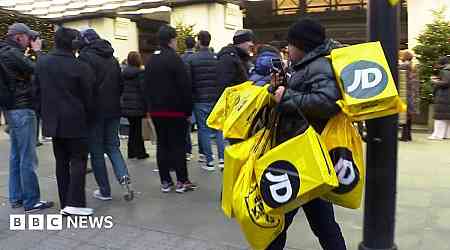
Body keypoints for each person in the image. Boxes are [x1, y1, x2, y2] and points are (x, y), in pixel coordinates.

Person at [268, 18, 346, 250]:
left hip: (304, 153)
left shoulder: (319, 65)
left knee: (279, 218)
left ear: (302, 44)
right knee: (323, 223)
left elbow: (328, 102)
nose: (288, 49)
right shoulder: (305, 65)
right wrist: (277, 89)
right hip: (304, 151)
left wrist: (287, 98)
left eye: (290, 44)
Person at [34, 27, 94, 215]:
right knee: (78, 160)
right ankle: (74, 204)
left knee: (61, 161)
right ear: (72, 44)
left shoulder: (43, 63)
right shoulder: (80, 66)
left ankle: (65, 203)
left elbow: (36, 91)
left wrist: (43, 113)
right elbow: (88, 96)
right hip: (76, 119)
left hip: (53, 121)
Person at [0, 23, 54, 212]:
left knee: (16, 156)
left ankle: (16, 197)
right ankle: (31, 201)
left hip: (12, 110)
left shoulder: (5, 52)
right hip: (23, 109)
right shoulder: (12, 53)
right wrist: (38, 52)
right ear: (19, 37)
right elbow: (38, 70)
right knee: (27, 158)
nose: (29, 42)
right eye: (27, 38)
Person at [78, 28, 133, 201]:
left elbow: (84, 87)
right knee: (113, 147)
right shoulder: (112, 58)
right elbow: (120, 84)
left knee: (96, 151)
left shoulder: (85, 58)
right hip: (114, 110)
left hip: (95, 112)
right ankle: (125, 181)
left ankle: (104, 190)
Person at [144, 25, 196, 193]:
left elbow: (145, 86)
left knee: (163, 145)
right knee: (178, 145)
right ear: (172, 40)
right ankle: (182, 181)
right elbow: (185, 87)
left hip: (157, 111)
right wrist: (188, 111)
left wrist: (150, 107)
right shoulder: (175, 59)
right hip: (175, 110)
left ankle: (165, 181)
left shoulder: (151, 60)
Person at [186, 30, 225, 171]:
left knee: (204, 130)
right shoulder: (217, 58)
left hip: (200, 99)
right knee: (219, 129)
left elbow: (189, 82)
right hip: (216, 98)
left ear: (198, 41)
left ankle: (209, 161)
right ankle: (222, 159)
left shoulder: (192, 59)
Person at [121, 51, 149, 159]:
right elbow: (144, 90)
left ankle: (131, 151)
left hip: (127, 105)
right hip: (138, 105)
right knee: (137, 130)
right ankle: (140, 152)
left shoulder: (123, 73)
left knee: (133, 129)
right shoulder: (140, 73)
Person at [180, 36, 196, 161]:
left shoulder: (181, 59)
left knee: (185, 125)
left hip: (186, 95)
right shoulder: (197, 57)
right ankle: (205, 154)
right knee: (204, 127)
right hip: (201, 95)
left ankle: (187, 150)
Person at [398, 50, 420, 141]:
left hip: (406, 93)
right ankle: (408, 135)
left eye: (401, 55)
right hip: (412, 93)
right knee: (409, 116)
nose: (400, 57)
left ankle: (405, 136)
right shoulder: (413, 66)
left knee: (405, 115)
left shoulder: (404, 65)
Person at [428, 56, 450, 140]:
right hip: (448, 97)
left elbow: (446, 82)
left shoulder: (445, 71)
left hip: (443, 96)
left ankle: (437, 135)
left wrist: (435, 81)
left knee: (440, 117)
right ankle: (446, 135)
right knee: (447, 118)